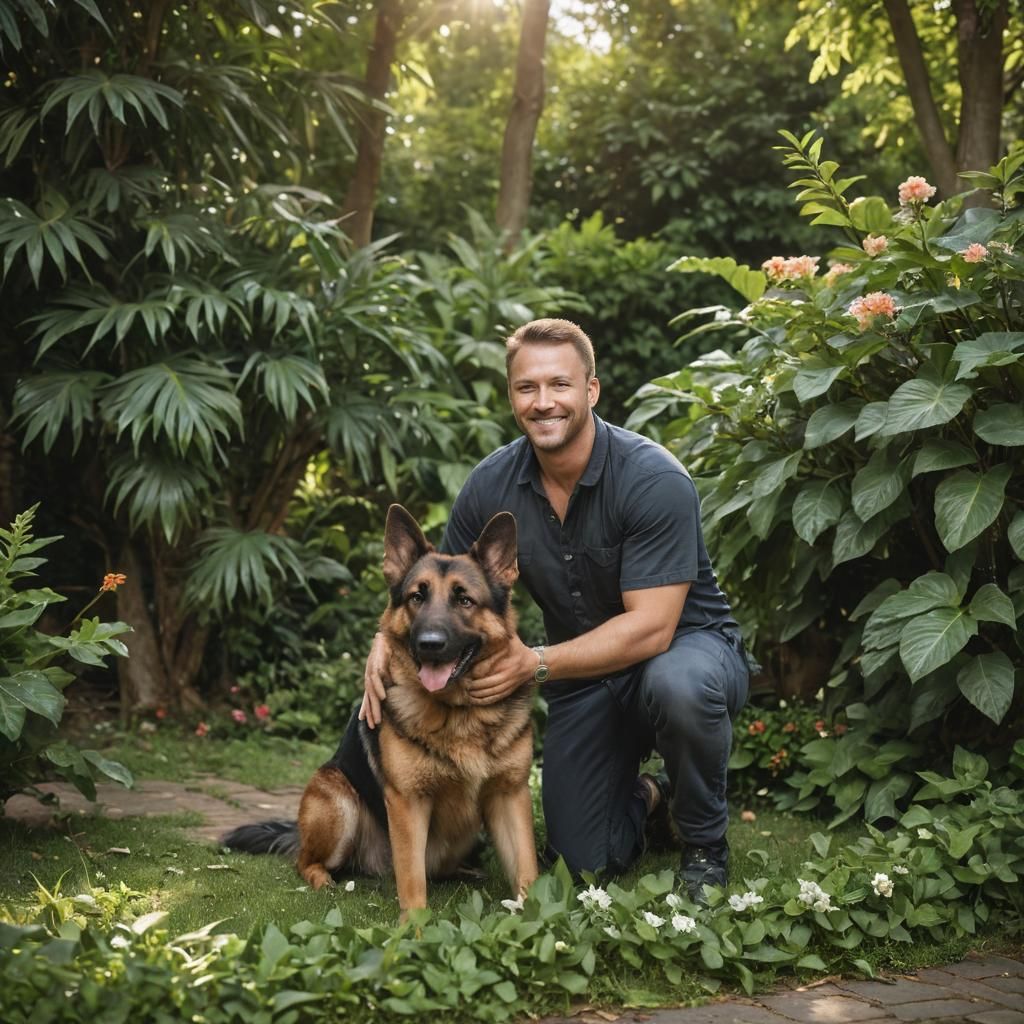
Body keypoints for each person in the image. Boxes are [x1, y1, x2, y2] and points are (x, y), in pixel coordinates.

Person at [360, 318, 749, 903]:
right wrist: (383, 646)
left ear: (590, 391)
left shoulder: (653, 479)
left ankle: (704, 847)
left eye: (560, 385)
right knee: (583, 864)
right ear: (512, 396)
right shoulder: (492, 483)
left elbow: (652, 626)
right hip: (584, 676)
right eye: (526, 388)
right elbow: (432, 583)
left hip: (683, 653)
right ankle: (650, 798)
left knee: (679, 684)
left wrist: (533, 663)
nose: (543, 403)